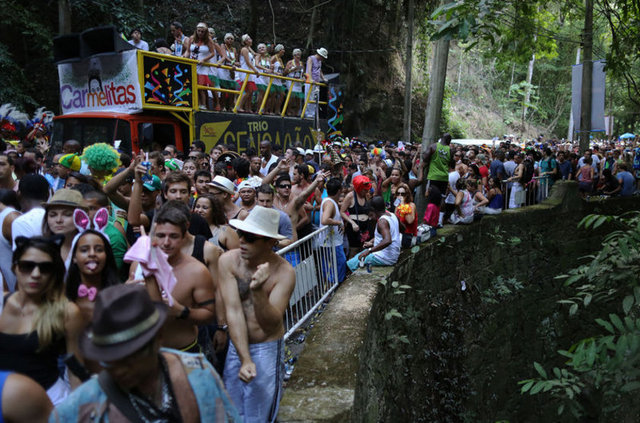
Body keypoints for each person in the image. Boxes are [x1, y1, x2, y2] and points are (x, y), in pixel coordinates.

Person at [50, 285, 241, 422]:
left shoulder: (198, 375)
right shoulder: (82, 407)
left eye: (130, 357)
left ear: (158, 339)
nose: (119, 369)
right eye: (110, 359)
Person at [218, 206, 295, 422]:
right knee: (232, 408)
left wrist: (259, 291)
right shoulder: (229, 261)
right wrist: (244, 358)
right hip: (237, 342)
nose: (242, 241)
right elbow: (233, 310)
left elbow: (271, 324)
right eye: (241, 234)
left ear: (270, 242)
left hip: (266, 346)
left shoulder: (284, 272)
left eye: (250, 238)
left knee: (259, 413)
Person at [0, 236, 83, 405]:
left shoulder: (67, 311)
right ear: (15, 268)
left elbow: (76, 370)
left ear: (54, 273)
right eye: (27, 266)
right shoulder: (1, 304)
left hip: (49, 402)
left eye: (45, 268)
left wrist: (78, 411)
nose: (36, 274)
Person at [65, 229, 121, 323]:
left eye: (99, 250)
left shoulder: (119, 296)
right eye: (84, 250)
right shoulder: (63, 296)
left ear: (107, 256)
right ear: (74, 257)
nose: (92, 254)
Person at [346, 196, 402, 272]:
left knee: (351, 264)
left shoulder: (382, 221)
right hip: (392, 255)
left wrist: (369, 250)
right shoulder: (392, 215)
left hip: (385, 257)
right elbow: (402, 228)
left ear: (373, 209)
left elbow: (388, 240)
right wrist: (373, 243)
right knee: (357, 256)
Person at [183, 23, 218, 110]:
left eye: (202, 31)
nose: (200, 33)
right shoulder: (191, 38)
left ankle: (203, 104)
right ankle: (196, 103)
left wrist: (204, 59)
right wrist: (183, 57)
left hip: (203, 65)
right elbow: (188, 51)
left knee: (201, 86)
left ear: (205, 32)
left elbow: (213, 53)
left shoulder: (208, 40)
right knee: (193, 85)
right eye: (198, 31)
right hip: (193, 64)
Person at [319, 178, 347, 283]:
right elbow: (325, 220)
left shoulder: (329, 201)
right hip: (331, 243)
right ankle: (335, 286)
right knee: (338, 263)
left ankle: (332, 286)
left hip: (332, 241)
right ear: (339, 190)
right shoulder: (329, 203)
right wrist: (339, 223)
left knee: (332, 264)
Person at [12, 174, 49, 249]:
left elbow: (21, 257)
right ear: (48, 195)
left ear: (18, 194)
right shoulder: (56, 218)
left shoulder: (21, 222)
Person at [422, 133, 453, 201]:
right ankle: (440, 212)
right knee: (442, 198)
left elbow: (424, 157)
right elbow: (451, 163)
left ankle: (431, 211)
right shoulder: (450, 150)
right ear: (448, 140)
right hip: (444, 177)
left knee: (430, 197)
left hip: (433, 176)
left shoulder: (433, 146)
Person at [237, 34, 260, 113]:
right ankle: (239, 106)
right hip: (245, 71)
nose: (251, 40)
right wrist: (255, 70)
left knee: (250, 91)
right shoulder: (244, 50)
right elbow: (248, 62)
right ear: (246, 41)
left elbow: (254, 54)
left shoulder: (248, 49)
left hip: (250, 73)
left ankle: (248, 108)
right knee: (248, 91)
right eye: (249, 39)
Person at [304, 48, 328, 119]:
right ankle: (308, 113)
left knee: (315, 97)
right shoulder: (311, 58)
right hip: (310, 81)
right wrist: (310, 78)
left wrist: (323, 78)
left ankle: (314, 113)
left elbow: (319, 70)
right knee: (309, 96)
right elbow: (309, 69)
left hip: (316, 82)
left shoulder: (319, 61)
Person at [219, 33, 239, 111]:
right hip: (224, 69)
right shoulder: (223, 46)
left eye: (231, 39)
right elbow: (225, 56)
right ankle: (222, 106)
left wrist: (235, 64)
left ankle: (230, 106)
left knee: (232, 89)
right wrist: (233, 63)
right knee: (223, 88)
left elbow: (236, 59)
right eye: (228, 38)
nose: (230, 40)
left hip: (231, 70)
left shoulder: (234, 49)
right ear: (225, 40)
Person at [394, 183, 417, 248]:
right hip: (399, 233)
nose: (400, 195)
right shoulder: (398, 205)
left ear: (407, 195)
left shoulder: (411, 205)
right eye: (398, 193)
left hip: (408, 234)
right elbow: (395, 219)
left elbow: (410, 221)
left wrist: (403, 205)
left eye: (402, 194)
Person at [284, 48, 305, 116]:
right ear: (293, 55)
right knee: (291, 97)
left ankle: (297, 112)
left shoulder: (301, 63)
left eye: (299, 55)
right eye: (296, 55)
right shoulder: (290, 62)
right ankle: (289, 111)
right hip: (291, 80)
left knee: (298, 98)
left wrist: (304, 78)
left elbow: (303, 73)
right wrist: (292, 69)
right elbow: (285, 72)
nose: (298, 56)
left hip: (298, 82)